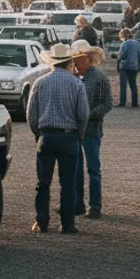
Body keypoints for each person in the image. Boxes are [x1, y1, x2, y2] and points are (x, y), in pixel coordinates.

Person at [26, 43, 89, 234]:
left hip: (46, 135)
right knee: (68, 183)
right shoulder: (77, 83)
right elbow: (83, 114)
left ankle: (42, 221)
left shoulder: (40, 82)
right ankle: (67, 224)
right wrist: (79, 134)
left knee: (43, 183)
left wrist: (37, 133)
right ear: (69, 62)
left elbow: (31, 114)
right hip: (69, 136)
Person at [70, 40, 112, 219]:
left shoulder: (100, 78)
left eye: (78, 60)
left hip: (92, 129)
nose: (76, 65)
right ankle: (77, 204)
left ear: (88, 59)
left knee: (93, 169)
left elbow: (107, 104)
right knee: (76, 169)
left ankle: (95, 206)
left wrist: (89, 114)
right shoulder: (72, 76)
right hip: (74, 129)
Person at [117, 28, 140, 107]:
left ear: (122, 36)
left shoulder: (125, 44)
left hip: (125, 66)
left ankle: (122, 102)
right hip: (134, 66)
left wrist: (118, 62)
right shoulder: (138, 43)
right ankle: (134, 102)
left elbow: (122, 56)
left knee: (123, 85)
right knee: (133, 84)